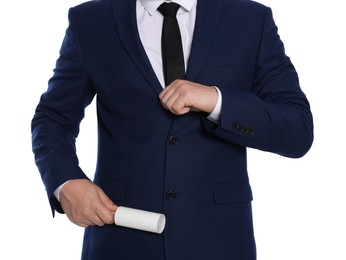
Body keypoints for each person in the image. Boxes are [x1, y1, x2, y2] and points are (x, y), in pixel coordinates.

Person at [31, 0, 314, 259]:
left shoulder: (250, 19)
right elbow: (53, 118)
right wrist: (65, 182)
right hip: (120, 237)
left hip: (220, 242)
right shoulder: (91, 20)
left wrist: (216, 101)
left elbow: (296, 128)